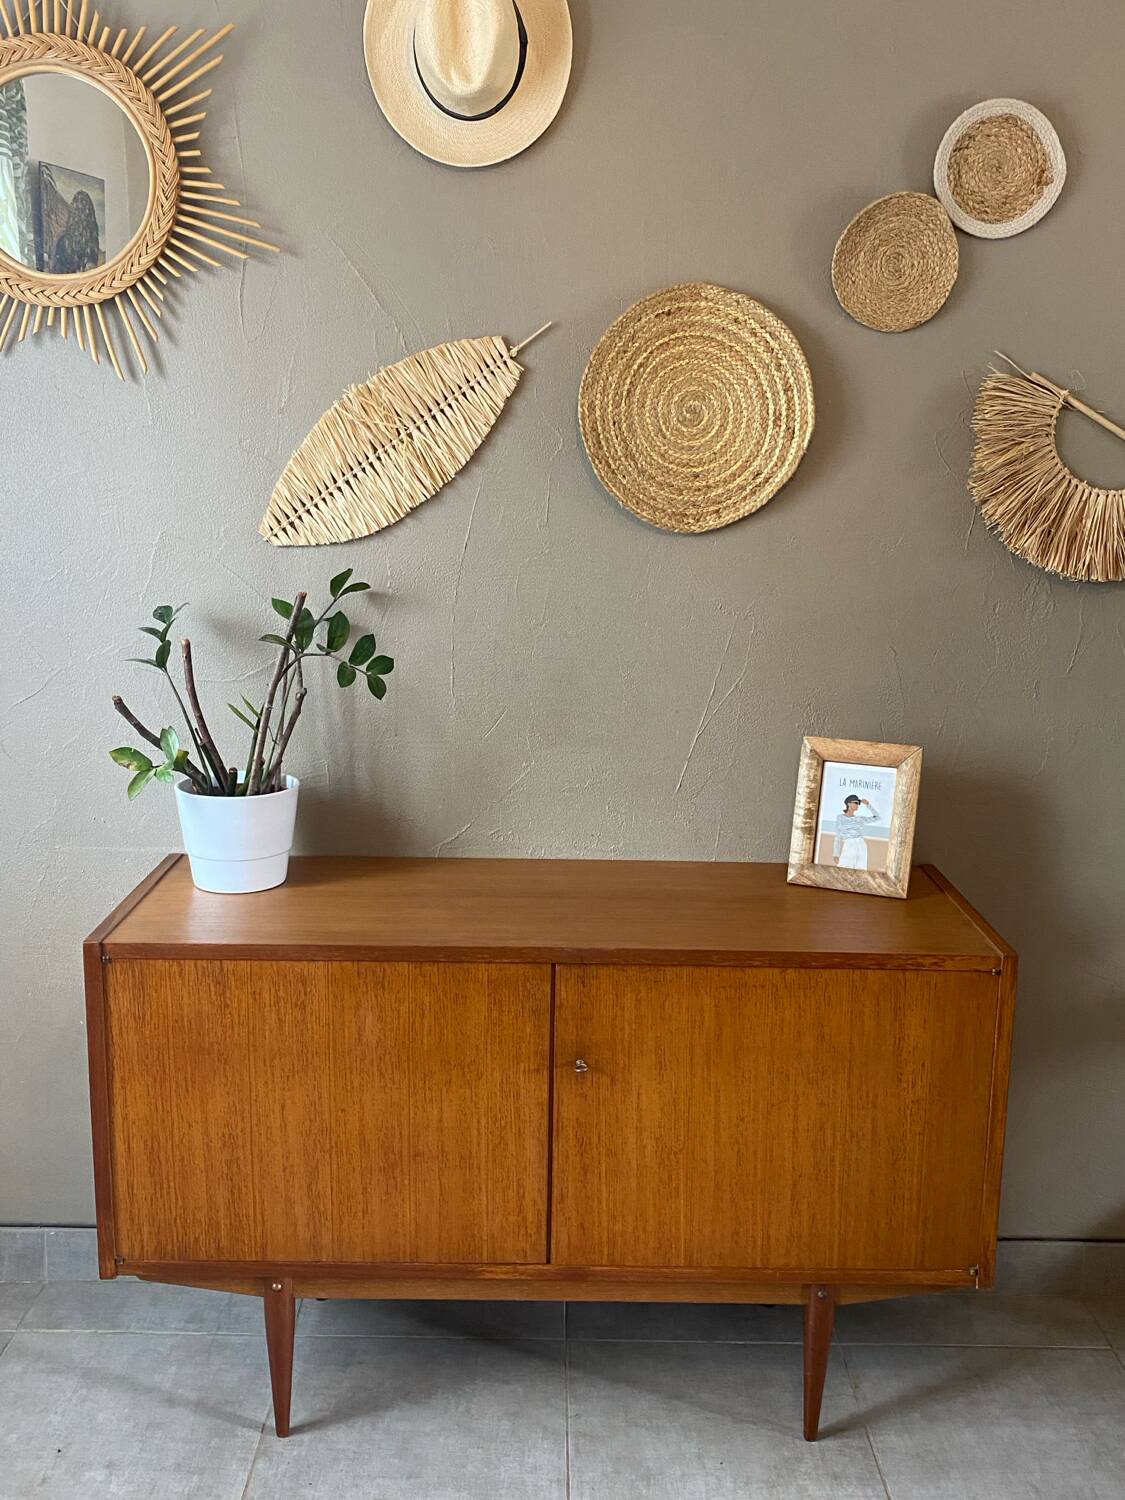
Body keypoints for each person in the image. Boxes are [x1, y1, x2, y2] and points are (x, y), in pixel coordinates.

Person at [832, 794, 879, 870]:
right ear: (848, 803)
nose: (858, 805)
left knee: (860, 869)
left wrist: (868, 805)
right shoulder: (840, 817)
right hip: (848, 844)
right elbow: (838, 837)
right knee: (844, 868)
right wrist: (836, 854)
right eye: (856, 803)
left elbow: (877, 817)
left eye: (859, 803)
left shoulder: (859, 819)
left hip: (860, 844)